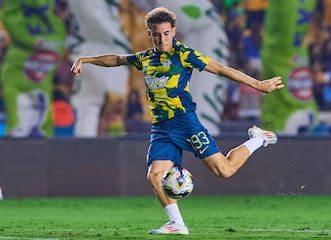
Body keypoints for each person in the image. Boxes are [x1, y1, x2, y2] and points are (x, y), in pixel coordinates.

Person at [71, 7, 284, 235]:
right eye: (156, 34)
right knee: (154, 175)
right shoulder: (146, 58)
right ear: (150, 34)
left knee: (225, 170)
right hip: (161, 127)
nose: (161, 39)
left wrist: (258, 84)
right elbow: (116, 59)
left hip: (185, 122)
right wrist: (86, 59)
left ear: (173, 31)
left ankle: (258, 139)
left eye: (165, 33)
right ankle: (177, 224)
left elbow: (221, 69)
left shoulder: (184, 55)